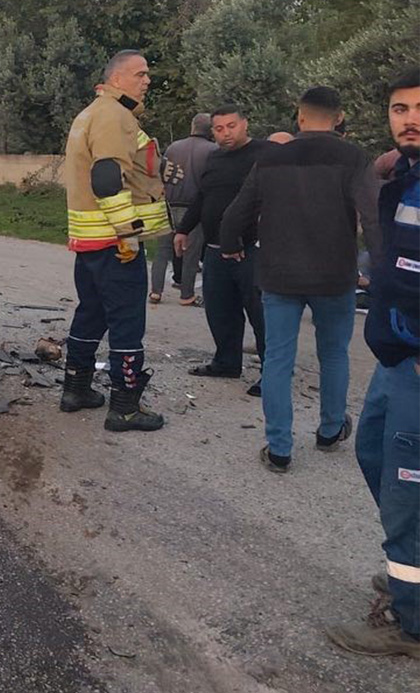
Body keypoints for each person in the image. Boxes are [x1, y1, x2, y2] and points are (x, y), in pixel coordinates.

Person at [219, 86, 381, 473]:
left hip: (279, 275)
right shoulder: (353, 157)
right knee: (334, 354)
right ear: (339, 118)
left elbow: (237, 212)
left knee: (278, 359)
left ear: (300, 116)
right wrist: (384, 269)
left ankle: (279, 449)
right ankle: (330, 430)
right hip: (335, 276)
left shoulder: (271, 158)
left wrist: (230, 245)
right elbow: (373, 216)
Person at [326, 67, 420, 659]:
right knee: (372, 453)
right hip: (395, 356)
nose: (410, 119)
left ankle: (412, 625)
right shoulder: (407, 177)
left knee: (409, 489)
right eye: (400, 109)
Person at [59, 49, 169, 432]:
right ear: (117, 79)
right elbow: (107, 178)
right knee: (127, 321)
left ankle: (75, 389)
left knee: (91, 313)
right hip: (114, 241)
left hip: (89, 241)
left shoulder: (90, 113)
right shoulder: (115, 115)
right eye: (140, 74)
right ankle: (124, 407)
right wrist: (129, 235)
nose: (147, 80)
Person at [176, 105, 271, 397]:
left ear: (245, 124)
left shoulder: (265, 154)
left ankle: (272, 372)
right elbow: (203, 196)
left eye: (231, 126)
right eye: (219, 129)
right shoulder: (214, 158)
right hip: (215, 249)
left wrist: (246, 237)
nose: (226, 133)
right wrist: (183, 229)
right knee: (220, 310)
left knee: (261, 314)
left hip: (251, 250)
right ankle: (226, 362)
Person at [151, 113, 214, 306]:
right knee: (191, 254)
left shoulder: (173, 147)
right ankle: (187, 295)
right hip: (194, 209)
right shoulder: (213, 150)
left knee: (162, 251)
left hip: (169, 206)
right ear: (211, 130)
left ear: (192, 126)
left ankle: (155, 291)